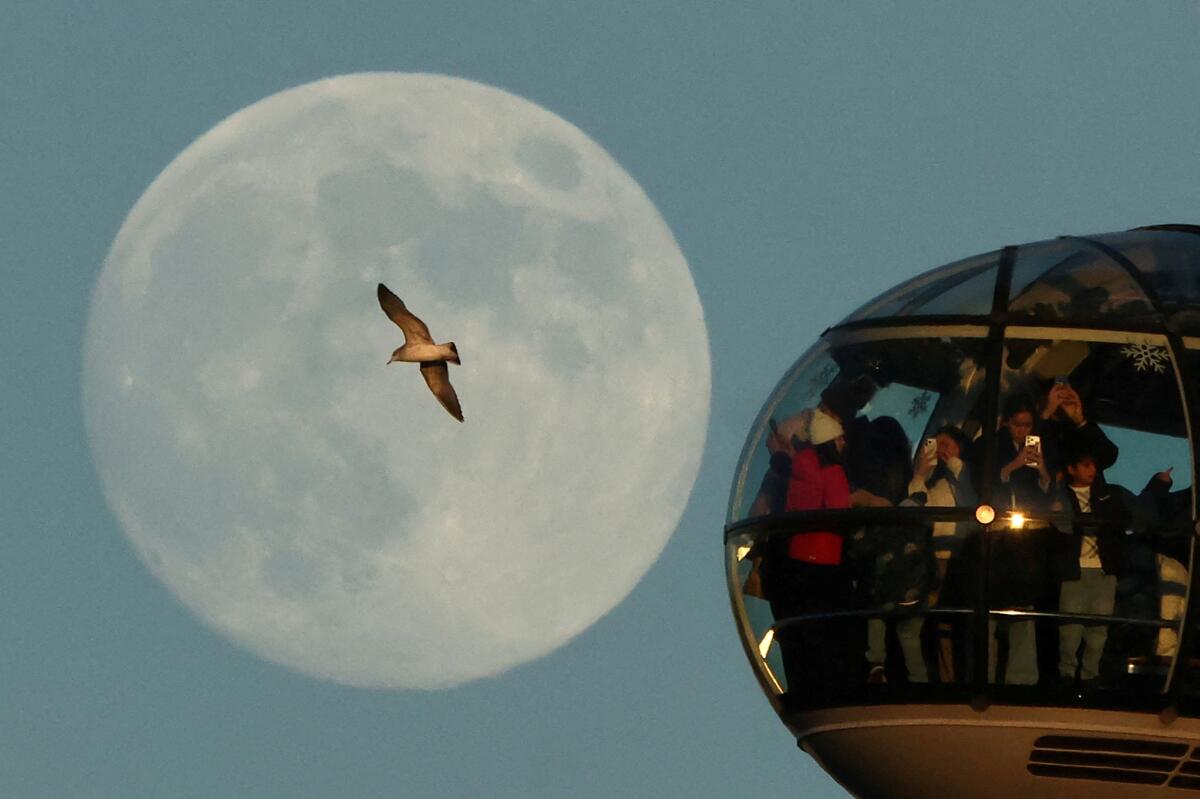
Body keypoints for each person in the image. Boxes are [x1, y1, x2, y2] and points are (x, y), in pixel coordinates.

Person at [1049, 442, 1172, 686]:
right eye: (1086, 465)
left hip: (1104, 571)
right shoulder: (1060, 495)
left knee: (1098, 631)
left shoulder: (1109, 494)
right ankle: (1065, 679)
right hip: (1073, 571)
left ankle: (1089, 679)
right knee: (1070, 631)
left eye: (1094, 465)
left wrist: (1158, 487)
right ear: (1071, 469)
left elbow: (1135, 515)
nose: (1092, 470)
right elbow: (1061, 527)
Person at [761, 407, 855, 698]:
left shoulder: (799, 468)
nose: (843, 444)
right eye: (839, 439)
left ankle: (803, 685)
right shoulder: (833, 472)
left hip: (798, 556)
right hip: (826, 558)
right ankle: (830, 683)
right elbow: (841, 513)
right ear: (829, 442)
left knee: (801, 628)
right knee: (825, 628)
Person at [847, 416, 934, 683]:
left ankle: (876, 664)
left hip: (877, 567)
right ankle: (918, 679)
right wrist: (920, 478)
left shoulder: (864, 477)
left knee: (876, 612)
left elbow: (861, 536)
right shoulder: (906, 477)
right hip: (912, 569)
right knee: (909, 632)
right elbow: (918, 515)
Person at [908, 425, 975, 683]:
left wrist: (955, 462)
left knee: (962, 621)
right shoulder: (934, 485)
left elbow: (970, 497)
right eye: (938, 444)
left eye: (948, 444)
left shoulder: (966, 479)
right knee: (939, 622)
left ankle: (966, 677)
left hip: (961, 559)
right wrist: (920, 475)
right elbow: (916, 509)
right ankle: (945, 678)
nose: (942, 449)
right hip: (934, 559)